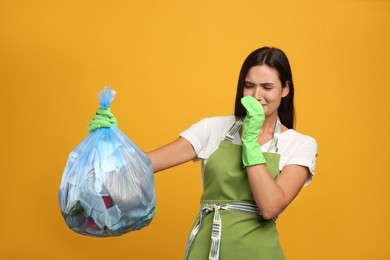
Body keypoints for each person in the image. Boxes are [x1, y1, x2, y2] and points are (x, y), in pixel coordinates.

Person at [89, 46, 318, 259]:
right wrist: (108, 141)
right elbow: (143, 164)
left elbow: (270, 206)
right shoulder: (213, 128)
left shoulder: (299, 145)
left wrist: (250, 141)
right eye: (249, 86)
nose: (257, 95)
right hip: (205, 251)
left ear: (285, 89)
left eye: (267, 87)